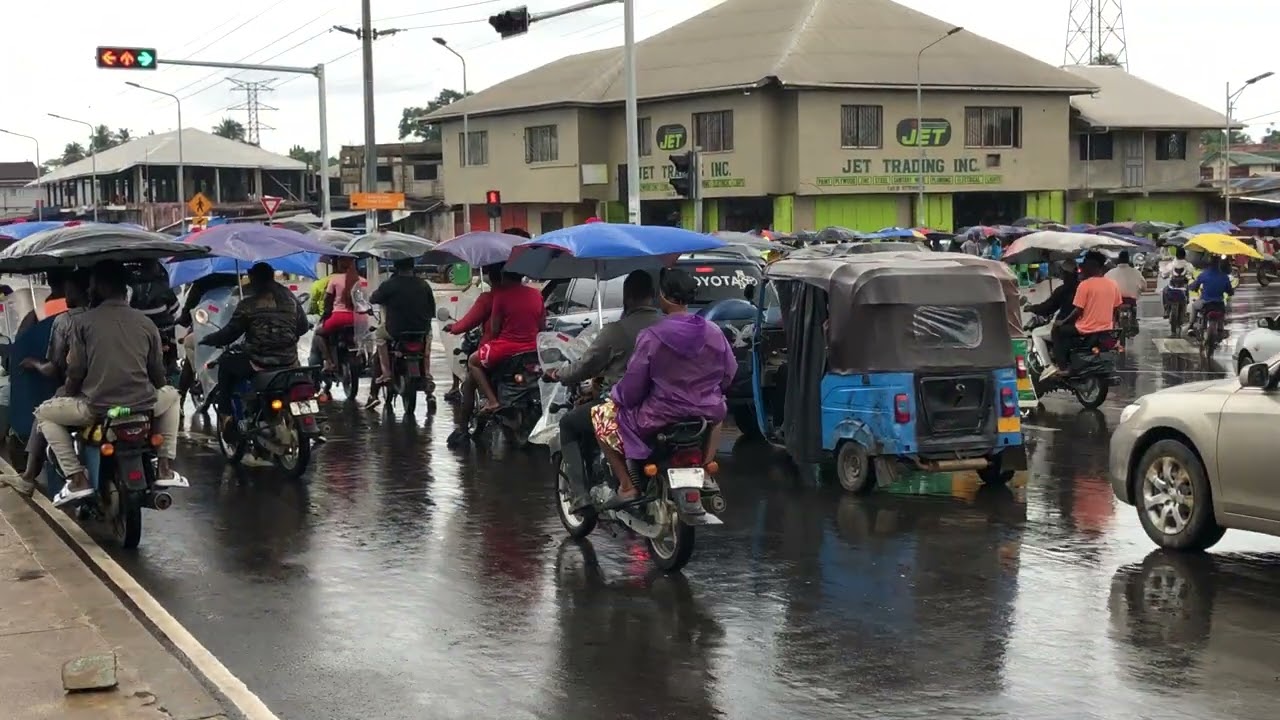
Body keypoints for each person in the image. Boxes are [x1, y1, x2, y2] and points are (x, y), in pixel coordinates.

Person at [30, 262, 185, 507]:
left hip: (99, 409)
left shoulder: (82, 323)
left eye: (92, 285)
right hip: (143, 406)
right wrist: (154, 388)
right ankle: (165, 466)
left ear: (101, 287)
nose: (89, 291)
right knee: (173, 396)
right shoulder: (146, 324)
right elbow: (157, 373)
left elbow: (76, 371)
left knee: (44, 415)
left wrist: (69, 393)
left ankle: (76, 477)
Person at [590, 269, 736, 507]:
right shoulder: (714, 331)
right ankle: (706, 471)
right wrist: (710, 392)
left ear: (663, 296)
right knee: (720, 410)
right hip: (705, 412)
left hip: (659, 415)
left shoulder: (652, 336)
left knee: (599, 416)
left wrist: (617, 396)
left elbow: (632, 387)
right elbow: (729, 372)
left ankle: (627, 486)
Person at [547, 270, 661, 510]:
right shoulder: (670, 326)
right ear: (654, 296)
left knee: (569, 424)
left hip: (624, 404)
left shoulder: (616, 331)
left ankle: (581, 496)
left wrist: (560, 374)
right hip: (663, 403)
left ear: (627, 298)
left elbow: (586, 366)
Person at [1, 270, 91, 496]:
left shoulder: (54, 315)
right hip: (127, 395)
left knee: (43, 414)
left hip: (80, 392)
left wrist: (33, 364)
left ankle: (29, 477)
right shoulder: (105, 315)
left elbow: (54, 366)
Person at [198, 262, 309, 416]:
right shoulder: (290, 301)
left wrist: (209, 339)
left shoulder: (248, 305)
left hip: (258, 362)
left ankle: (226, 413)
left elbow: (229, 334)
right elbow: (303, 327)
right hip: (289, 360)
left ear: (253, 278)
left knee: (225, 362)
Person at [461, 269, 543, 414]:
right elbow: (542, 325)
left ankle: (492, 401)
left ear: (504, 276)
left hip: (507, 348)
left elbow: (494, 329)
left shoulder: (500, 296)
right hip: (533, 348)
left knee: (473, 361)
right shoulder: (536, 294)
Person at [441, 264, 503, 444]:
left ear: (491, 278)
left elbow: (468, 322)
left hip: (497, 349)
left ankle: (462, 429)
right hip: (528, 350)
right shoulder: (532, 295)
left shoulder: (491, 298)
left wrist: (454, 327)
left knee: (469, 381)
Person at [1042, 251, 1121, 380]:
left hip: (1086, 328)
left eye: (1084, 266)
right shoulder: (1113, 284)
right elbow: (1116, 308)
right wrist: (1113, 323)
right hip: (1106, 328)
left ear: (1092, 267)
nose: (1081, 269)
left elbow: (1078, 311)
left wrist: (1063, 322)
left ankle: (1063, 368)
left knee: (1057, 331)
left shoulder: (1084, 285)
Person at [369, 257, 435, 385]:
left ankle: (386, 373)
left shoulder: (389, 284)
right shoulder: (424, 284)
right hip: (421, 330)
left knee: (379, 336)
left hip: (394, 330)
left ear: (396, 267)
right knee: (427, 341)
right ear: (412, 267)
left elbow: (373, 299)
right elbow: (432, 311)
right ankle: (426, 372)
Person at [1024, 260, 1080, 369]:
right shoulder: (1082, 287)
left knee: (1036, 333)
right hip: (1081, 325)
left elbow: (1047, 308)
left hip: (1066, 324)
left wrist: (1032, 308)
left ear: (1065, 273)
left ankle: (1048, 366)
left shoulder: (1063, 290)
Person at [315, 257, 361, 372]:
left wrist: (325, 315)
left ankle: (329, 362)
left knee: (319, 334)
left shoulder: (334, 279)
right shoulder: (360, 280)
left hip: (338, 317)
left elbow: (328, 301)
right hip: (358, 318)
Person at [1187, 256, 1235, 335]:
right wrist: (1229, 292)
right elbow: (1230, 291)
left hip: (1205, 303)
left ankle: (1191, 326)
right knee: (1222, 314)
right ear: (1219, 264)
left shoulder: (1204, 274)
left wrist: (1191, 287)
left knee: (1194, 306)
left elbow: (1194, 285)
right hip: (1219, 304)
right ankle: (1220, 330)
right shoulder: (1224, 276)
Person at [1160, 246, 1195, 319]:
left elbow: (1164, 274)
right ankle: (1184, 311)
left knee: (1164, 291)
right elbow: (1191, 274)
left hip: (1172, 287)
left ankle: (1166, 309)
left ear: (1176, 255)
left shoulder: (1172, 264)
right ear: (1185, 255)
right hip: (1183, 287)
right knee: (1187, 296)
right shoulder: (1188, 265)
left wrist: (1163, 275)